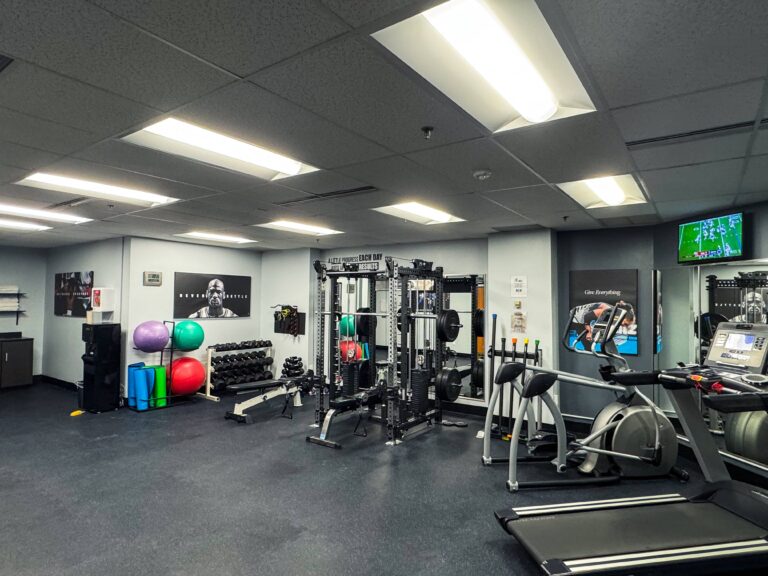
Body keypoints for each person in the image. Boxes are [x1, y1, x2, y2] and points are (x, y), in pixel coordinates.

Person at [571, 301, 636, 344]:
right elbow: (587, 316)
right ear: (623, 317)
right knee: (588, 344)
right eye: (625, 324)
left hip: (589, 316)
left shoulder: (619, 313)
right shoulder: (609, 312)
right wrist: (589, 332)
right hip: (576, 315)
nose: (624, 326)